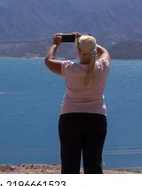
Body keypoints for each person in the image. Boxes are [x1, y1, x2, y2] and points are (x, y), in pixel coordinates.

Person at [44, 33, 110, 174]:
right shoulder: (103, 67)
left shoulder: (69, 68)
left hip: (70, 120)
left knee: (69, 166)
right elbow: (104, 52)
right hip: (97, 120)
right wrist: (87, 43)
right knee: (94, 166)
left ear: (78, 51)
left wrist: (55, 43)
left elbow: (48, 60)